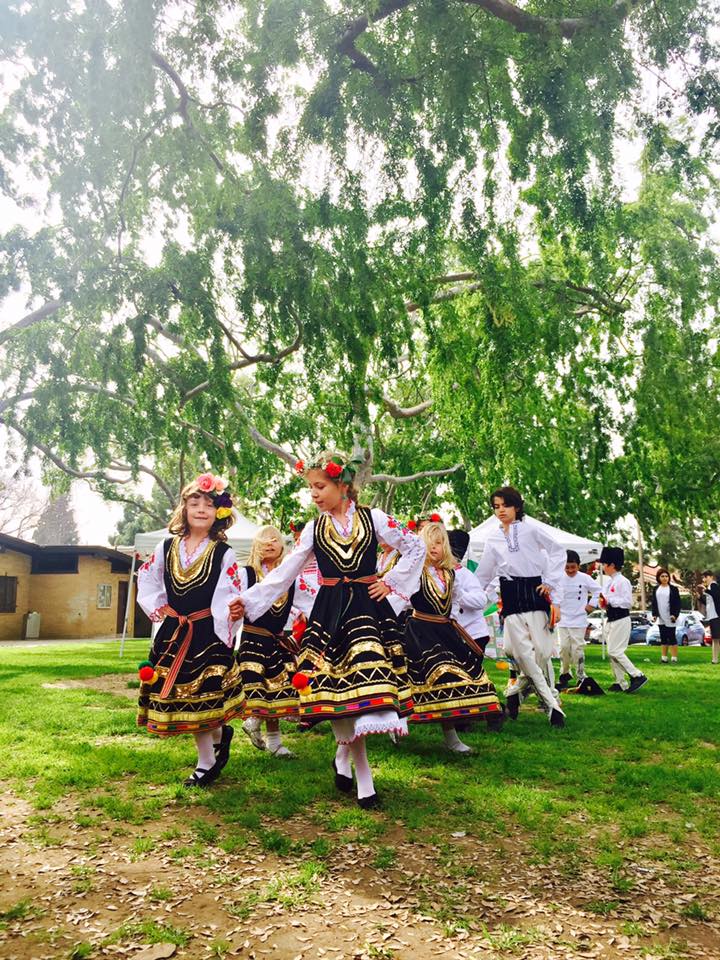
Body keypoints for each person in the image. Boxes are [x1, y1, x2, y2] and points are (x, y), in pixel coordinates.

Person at [229, 451, 425, 808]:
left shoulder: (374, 518)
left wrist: (391, 581)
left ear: (342, 484)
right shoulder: (313, 529)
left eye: (320, 486)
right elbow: (286, 571)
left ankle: (351, 764)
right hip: (330, 613)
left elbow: (415, 545)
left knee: (365, 689)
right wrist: (250, 599)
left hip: (367, 609)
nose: (314, 494)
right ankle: (357, 769)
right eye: (311, 488)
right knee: (340, 692)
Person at [136, 474, 245, 787]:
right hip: (175, 631)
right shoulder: (166, 546)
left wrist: (230, 615)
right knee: (186, 697)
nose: (200, 509)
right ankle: (218, 736)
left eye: (208, 505)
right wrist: (159, 607)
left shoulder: (223, 552)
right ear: (183, 509)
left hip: (207, 632)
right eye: (194, 503)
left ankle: (206, 762)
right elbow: (148, 577)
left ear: (218, 512)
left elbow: (229, 592)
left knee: (201, 697)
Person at [403, 523, 502, 752]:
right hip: (419, 632)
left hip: (445, 631)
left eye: (439, 543)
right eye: (430, 544)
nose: (434, 548)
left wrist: (453, 622)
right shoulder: (415, 573)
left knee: (451, 679)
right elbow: (401, 599)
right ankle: (399, 724)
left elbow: (454, 603)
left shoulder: (451, 575)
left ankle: (452, 737)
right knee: (414, 679)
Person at [475, 486, 567, 727]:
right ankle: (554, 708)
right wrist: (470, 596)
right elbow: (484, 573)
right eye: (496, 506)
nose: (501, 510)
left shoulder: (530, 530)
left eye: (505, 505)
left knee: (543, 653)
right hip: (511, 598)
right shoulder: (493, 538)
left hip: (535, 594)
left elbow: (558, 551)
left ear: (516, 506)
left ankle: (514, 694)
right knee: (523, 655)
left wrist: (551, 582)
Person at [237, 526, 299, 757]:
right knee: (257, 685)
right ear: (256, 546)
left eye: (274, 539)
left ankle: (274, 742)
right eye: (264, 540)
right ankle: (253, 720)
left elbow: (305, 600)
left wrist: (303, 613)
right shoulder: (246, 574)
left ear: (282, 546)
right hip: (253, 639)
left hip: (276, 640)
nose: (269, 543)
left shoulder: (290, 577)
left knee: (276, 689)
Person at [600, 546, 647, 693]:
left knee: (615, 651)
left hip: (621, 618)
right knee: (612, 652)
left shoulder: (623, 581)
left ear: (612, 565)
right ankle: (620, 682)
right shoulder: (609, 582)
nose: (602, 567)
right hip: (611, 618)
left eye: (604, 564)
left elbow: (627, 602)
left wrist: (610, 601)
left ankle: (637, 675)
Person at [556, 550, 601, 689]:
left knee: (577, 649)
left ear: (579, 565)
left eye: (573, 567)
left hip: (579, 618)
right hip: (562, 619)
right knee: (563, 648)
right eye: (567, 567)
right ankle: (564, 673)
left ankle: (581, 675)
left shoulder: (585, 578)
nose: (570, 570)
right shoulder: (558, 577)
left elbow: (598, 590)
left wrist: (591, 605)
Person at [651, 568, 681, 664]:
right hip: (661, 617)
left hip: (671, 616)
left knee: (671, 637)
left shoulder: (673, 589)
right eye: (662, 576)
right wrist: (654, 615)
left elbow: (677, 603)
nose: (665, 578)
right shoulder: (656, 589)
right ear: (658, 578)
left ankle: (674, 657)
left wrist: (675, 615)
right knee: (663, 637)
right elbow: (654, 603)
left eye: (666, 576)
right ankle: (664, 657)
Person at [702, 571, 720, 664]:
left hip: (716, 616)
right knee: (715, 639)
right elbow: (709, 603)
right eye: (704, 577)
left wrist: (706, 590)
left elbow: (716, 596)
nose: (704, 579)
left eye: (706, 577)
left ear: (711, 577)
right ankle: (714, 659)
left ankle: (715, 659)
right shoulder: (709, 587)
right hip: (712, 616)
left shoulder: (713, 585)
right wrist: (700, 597)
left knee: (716, 638)